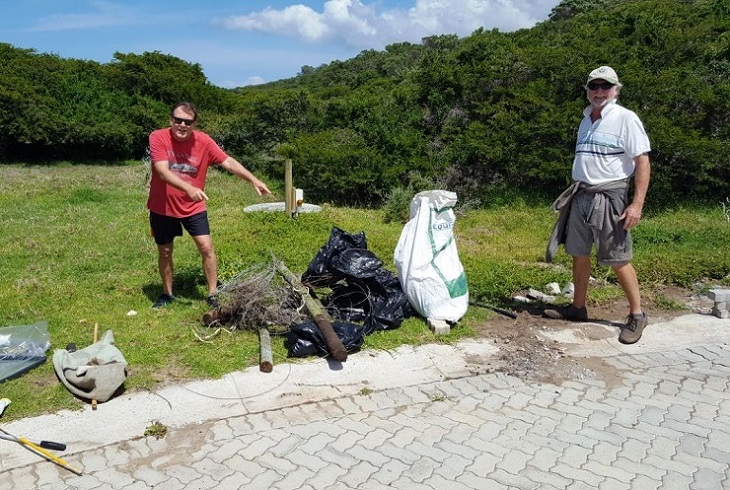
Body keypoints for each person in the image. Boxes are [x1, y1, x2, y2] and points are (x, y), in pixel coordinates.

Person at [545, 66, 651, 344]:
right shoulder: (585, 120)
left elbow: (642, 162)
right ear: (587, 90)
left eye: (606, 86)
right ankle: (577, 308)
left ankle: (637, 315)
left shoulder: (626, 119)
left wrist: (636, 204)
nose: (599, 91)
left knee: (617, 257)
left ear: (617, 90)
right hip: (581, 194)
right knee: (579, 253)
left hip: (609, 197)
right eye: (594, 86)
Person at [147, 101, 271, 309]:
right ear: (171, 120)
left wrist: (253, 180)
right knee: (165, 252)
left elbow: (227, 162)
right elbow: (162, 171)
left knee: (206, 247)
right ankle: (167, 294)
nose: (182, 125)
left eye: (188, 122)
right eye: (178, 120)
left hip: (193, 207)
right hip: (163, 207)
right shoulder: (158, 137)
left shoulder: (203, 141)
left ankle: (213, 293)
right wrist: (188, 188)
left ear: (194, 124)